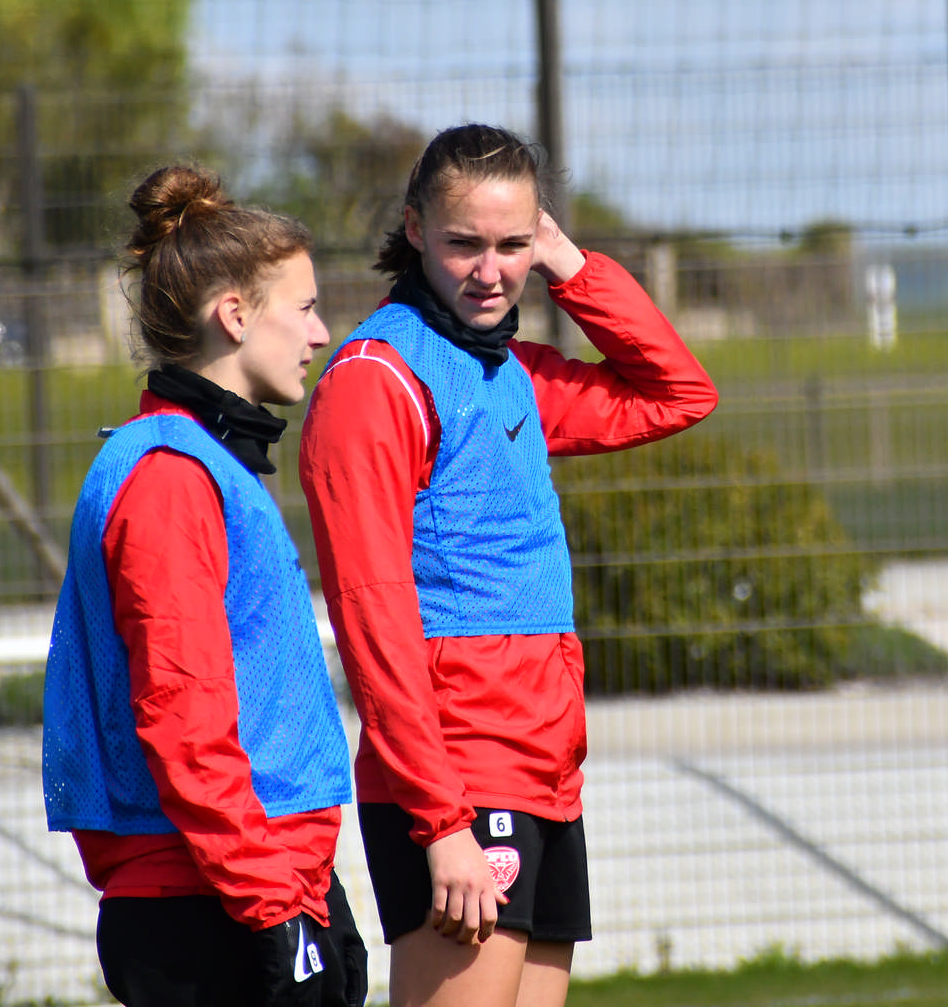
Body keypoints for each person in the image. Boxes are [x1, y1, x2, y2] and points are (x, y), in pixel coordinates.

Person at [299, 124, 718, 1007]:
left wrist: (569, 263)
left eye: (512, 244)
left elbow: (678, 392)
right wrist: (440, 818)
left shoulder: (512, 371)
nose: (490, 272)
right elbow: (372, 616)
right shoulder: (377, 378)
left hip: (547, 761)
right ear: (415, 229)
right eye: (465, 244)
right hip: (457, 771)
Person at [42, 166, 365, 1007]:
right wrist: (275, 912)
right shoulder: (169, 479)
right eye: (304, 307)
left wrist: (312, 895)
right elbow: (183, 719)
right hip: (208, 904)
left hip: (260, 882)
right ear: (235, 315)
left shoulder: (209, 463)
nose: (320, 332)